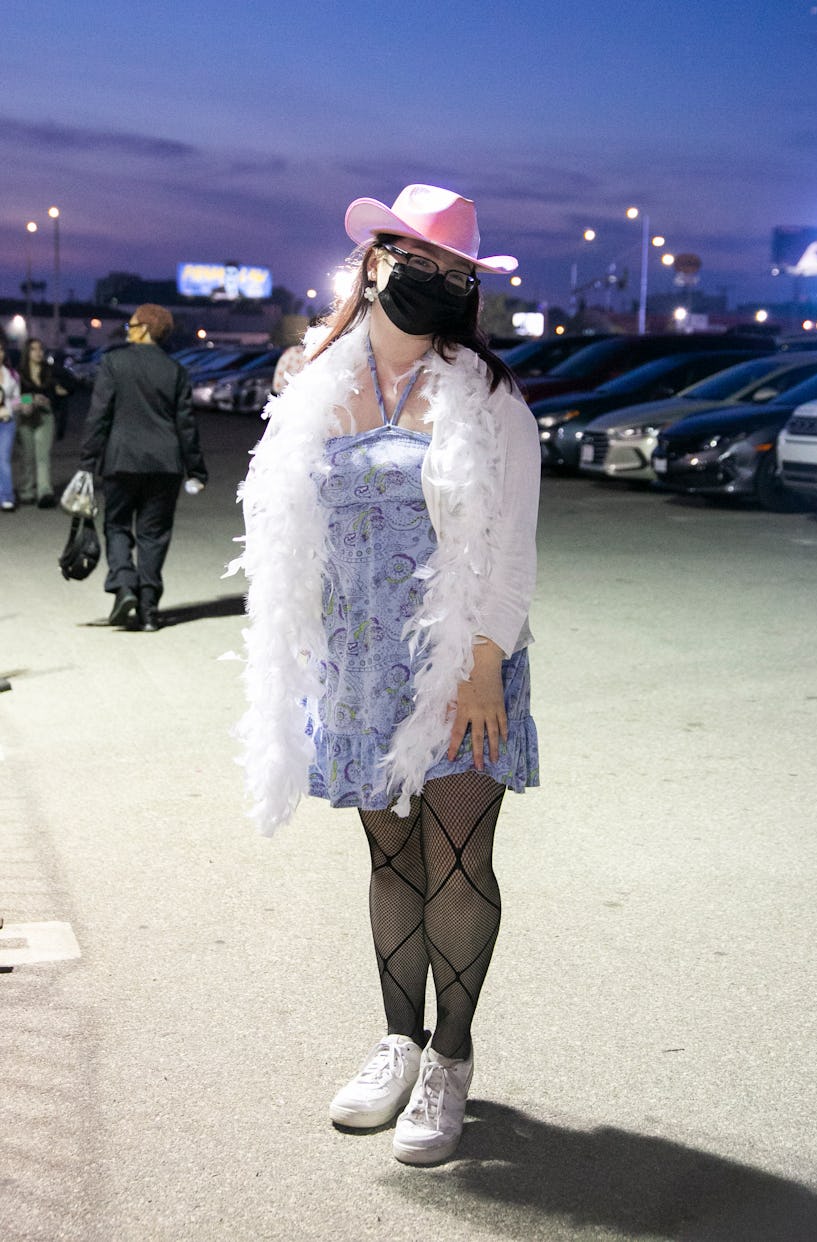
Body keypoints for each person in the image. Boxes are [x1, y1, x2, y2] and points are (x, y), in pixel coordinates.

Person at [235, 184, 540, 1165]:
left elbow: (512, 547)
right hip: (358, 663)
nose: (446, 286)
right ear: (376, 263)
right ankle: (397, 1041)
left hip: (459, 664)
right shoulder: (312, 379)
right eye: (431, 267)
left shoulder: (491, 398)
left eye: (461, 275)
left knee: (455, 860)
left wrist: (484, 661)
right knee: (390, 860)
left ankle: (451, 1058)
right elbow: (288, 531)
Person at [78, 304, 208, 632]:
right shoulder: (174, 371)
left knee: (117, 525)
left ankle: (124, 586)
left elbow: (99, 416)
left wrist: (87, 461)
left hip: (121, 461)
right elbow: (186, 425)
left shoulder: (114, 362)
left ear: (146, 328)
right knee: (155, 534)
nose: (128, 328)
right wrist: (196, 470)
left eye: (132, 323)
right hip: (165, 465)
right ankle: (149, 608)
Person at [17, 337, 69, 507]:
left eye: (40, 348)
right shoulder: (19, 372)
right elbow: (14, 395)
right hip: (26, 416)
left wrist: (56, 394)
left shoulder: (50, 371)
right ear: (27, 352)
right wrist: (30, 398)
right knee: (28, 455)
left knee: (43, 456)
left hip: (46, 415)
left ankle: (44, 492)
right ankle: (27, 490)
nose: (38, 352)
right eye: (33, 349)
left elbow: (64, 387)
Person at [0, 342, 22, 511]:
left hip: (7, 423)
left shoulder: (12, 374)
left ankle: (7, 496)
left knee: (3, 459)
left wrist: (32, 399)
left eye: (0, 350)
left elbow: (17, 399)